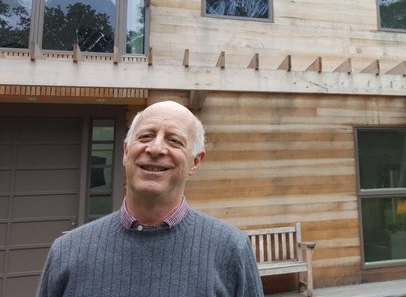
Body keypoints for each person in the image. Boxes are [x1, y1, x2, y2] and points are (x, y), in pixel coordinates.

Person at [37, 100, 264, 297]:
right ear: (126, 152)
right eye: (146, 136)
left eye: (174, 140)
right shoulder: (66, 252)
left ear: (195, 162)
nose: (155, 148)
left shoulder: (231, 250)